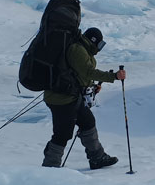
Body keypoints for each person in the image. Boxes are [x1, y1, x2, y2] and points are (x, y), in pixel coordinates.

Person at [42, 25, 126, 169]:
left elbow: (78, 74)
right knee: (63, 133)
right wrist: (113, 76)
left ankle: (97, 158)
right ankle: (50, 166)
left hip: (70, 96)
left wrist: (92, 87)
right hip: (61, 98)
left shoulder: (82, 49)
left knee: (87, 122)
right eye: (100, 44)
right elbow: (88, 72)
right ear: (93, 41)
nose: (99, 48)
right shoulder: (77, 50)